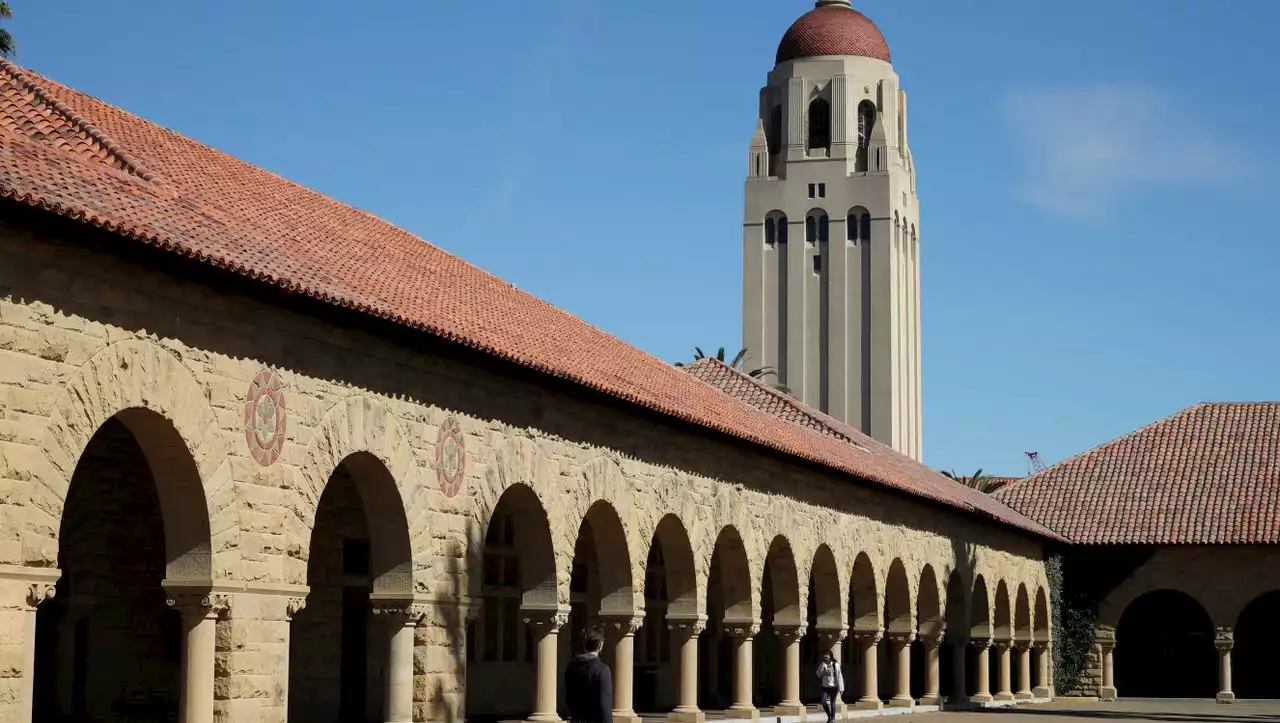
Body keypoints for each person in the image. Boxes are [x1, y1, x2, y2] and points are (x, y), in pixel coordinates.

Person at [565, 625, 614, 723]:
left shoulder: (571, 667)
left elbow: (569, 700)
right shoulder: (602, 670)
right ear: (600, 645)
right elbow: (605, 707)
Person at [816, 649, 844, 723]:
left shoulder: (835, 665)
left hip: (833, 687)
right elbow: (819, 675)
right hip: (825, 687)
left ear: (830, 656)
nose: (825, 656)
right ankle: (829, 716)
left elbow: (839, 676)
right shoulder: (822, 664)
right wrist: (821, 667)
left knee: (832, 703)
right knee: (823, 702)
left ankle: (832, 719)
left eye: (827, 655)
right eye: (824, 655)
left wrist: (841, 688)